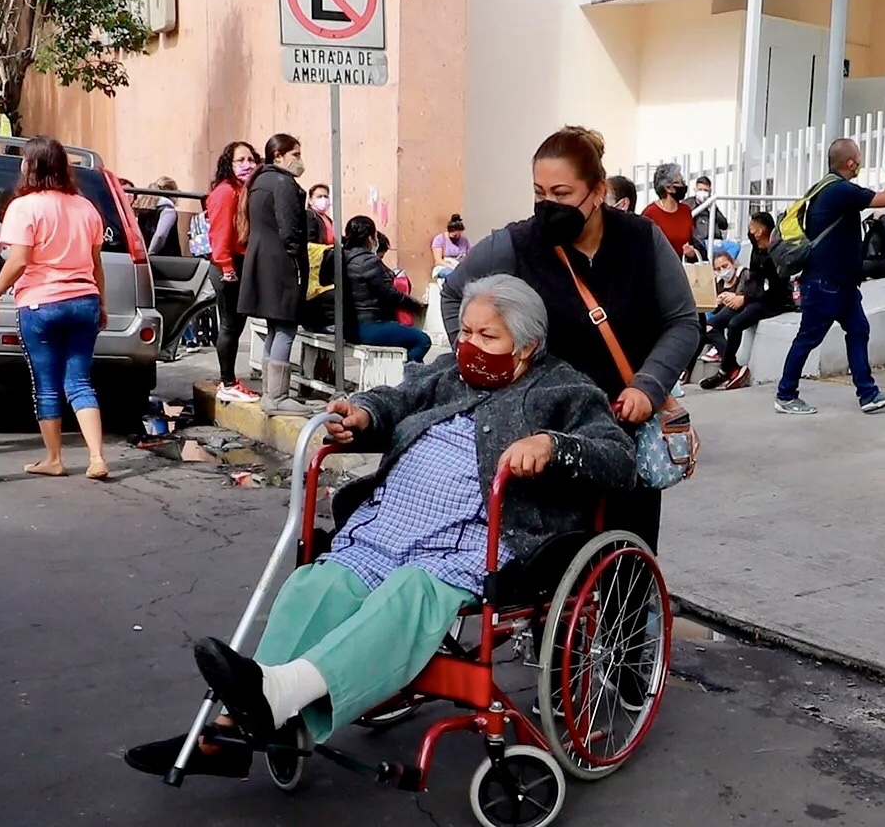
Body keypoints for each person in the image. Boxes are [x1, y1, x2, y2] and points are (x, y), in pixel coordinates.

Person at [122, 275, 637, 778]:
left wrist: (552, 446)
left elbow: (618, 459)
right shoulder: (448, 373)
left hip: (475, 539)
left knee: (409, 594)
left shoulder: (566, 390)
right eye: (465, 332)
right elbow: (398, 398)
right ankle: (232, 729)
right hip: (392, 523)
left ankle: (274, 700)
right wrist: (364, 413)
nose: (470, 345)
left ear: (527, 347)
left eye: (488, 336)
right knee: (316, 585)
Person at [442, 126, 699, 550]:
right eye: (539, 193)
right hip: (543, 437)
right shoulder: (515, 245)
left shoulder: (642, 240)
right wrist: (481, 359)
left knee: (624, 556)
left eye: (561, 193)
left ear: (598, 191)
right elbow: (455, 293)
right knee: (550, 562)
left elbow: (683, 322)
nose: (548, 205)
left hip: (623, 431)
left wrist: (648, 385)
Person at [0, 136, 111, 480]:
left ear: (31, 166)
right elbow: (96, 263)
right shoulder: (86, 207)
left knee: (47, 384)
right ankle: (97, 457)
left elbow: (19, 260)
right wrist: (101, 301)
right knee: (80, 381)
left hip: (40, 303)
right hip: (84, 300)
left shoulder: (24, 207)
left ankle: (54, 459)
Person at [774, 138, 885, 416]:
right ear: (850, 163)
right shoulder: (840, 190)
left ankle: (868, 393)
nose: (860, 162)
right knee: (808, 339)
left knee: (858, 330)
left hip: (841, 284)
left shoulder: (826, 189)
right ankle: (785, 395)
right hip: (826, 283)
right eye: (858, 158)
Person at [239, 134, 311, 415]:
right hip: (281, 263)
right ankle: (278, 396)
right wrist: (296, 259)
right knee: (286, 326)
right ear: (278, 156)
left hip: (263, 260)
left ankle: (271, 393)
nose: (299, 160)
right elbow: (290, 228)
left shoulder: (260, 181)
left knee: (275, 326)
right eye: (295, 154)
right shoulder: (282, 183)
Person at [698, 212, 791, 391]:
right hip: (752, 296)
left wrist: (745, 298)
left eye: (752, 228)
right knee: (711, 325)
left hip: (771, 301)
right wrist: (741, 296)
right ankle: (732, 367)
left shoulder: (777, 252)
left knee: (735, 324)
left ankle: (724, 371)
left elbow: (773, 289)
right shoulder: (756, 250)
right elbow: (753, 280)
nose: (750, 231)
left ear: (760, 231)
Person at [206, 141, 261, 404]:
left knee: (236, 326)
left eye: (251, 159)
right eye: (240, 160)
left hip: (240, 263)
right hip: (228, 266)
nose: (247, 165)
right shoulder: (226, 192)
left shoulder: (244, 190)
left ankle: (229, 381)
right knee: (229, 325)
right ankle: (227, 382)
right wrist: (227, 268)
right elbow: (220, 234)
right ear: (229, 164)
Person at [339, 215, 431, 362]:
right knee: (423, 340)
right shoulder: (369, 261)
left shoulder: (339, 257)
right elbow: (391, 295)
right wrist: (416, 305)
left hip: (347, 327)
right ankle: (405, 373)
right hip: (370, 326)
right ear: (370, 238)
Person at [641, 163, 698, 260]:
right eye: (679, 182)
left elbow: (692, 241)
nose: (683, 185)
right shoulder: (650, 213)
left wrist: (692, 253)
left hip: (682, 265)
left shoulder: (686, 210)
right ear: (668, 188)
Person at [133, 176, 182, 258]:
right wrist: (150, 254)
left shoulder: (144, 207)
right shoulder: (167, 209)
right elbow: (160, 235)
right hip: (164, 258)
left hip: (143, 253)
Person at [689, 175, 729, 256]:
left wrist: (711, 209)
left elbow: (724, 225)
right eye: (700, 189)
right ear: (695, 190)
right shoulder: (688, 204)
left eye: (705, 190)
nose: (702, 192)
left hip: (716, 241)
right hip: (699, 242)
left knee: (735, 246)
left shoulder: (712, 204)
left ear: (710, 192)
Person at [429, 215, 468, 281]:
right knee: (452, 275)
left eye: (459, 235)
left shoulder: (464, 240)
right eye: (455, 235)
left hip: (460, 266)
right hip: (444, 266)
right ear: (449, 231)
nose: (457, 237)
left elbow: (469, 255)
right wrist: (452, 267)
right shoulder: (440, 239)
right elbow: (438, 260)